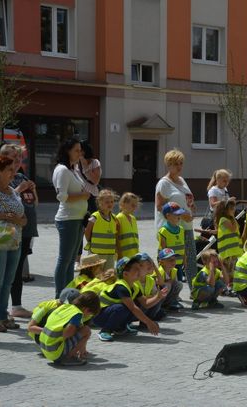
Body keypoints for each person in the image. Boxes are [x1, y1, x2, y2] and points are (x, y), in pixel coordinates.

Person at [0, 155, 27, 333]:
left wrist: (20, 220)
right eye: (9, 170)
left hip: (15, 241)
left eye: (13, 169)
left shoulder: (13, 191)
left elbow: (24, 218)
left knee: (8, 281)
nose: (13, 172)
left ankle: (3, 315)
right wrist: (3, 216)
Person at [0, 144, 38, 318]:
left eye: (19, 158)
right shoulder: (0, 177)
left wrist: (34, 191)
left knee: (18, 268)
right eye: (13, 158)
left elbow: (34, 203)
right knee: (7, 272)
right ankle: (2, 309)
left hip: (27, 229)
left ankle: (17, 305)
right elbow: (1, 200)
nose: (17, 162)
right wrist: (19, 189)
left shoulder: (21, 176)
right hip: (9, 231)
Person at [52, 138, 90, 298]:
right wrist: (83, 196)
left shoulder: (73, 169)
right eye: (76, 150)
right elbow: (61, 196)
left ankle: (67, 293)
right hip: (67, 219)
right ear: (67, 151)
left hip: (77, 218)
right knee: (64, 259)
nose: (80, 153)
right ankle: (60, 295)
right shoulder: (62, 170)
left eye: (80, 150)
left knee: (70, 261)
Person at [154, 149, 196, 289]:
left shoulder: (182, 181)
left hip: (185, 226)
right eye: (175, 164)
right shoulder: (164, 183)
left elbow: (187, 200)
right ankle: (166, 291)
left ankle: (194, 291)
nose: (179, 166)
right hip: (169, 229)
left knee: (189, 259)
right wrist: (182, 215)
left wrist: (192, 210)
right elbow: (160, 206)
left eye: (181, 163)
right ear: (168, 165)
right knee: (169, 262)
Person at [94, 255, 161, 342]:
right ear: (125, 274)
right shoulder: (121, 286)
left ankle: (120, 327)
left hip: (109, 313)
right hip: (99, 316)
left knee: (136, 305)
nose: (139, 271)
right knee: (124, 308)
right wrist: (149, 323)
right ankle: (105, 330)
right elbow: (133, 308)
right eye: (136, 269)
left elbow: (145, 303)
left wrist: (158, 296)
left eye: (139, 268)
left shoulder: (135, 286)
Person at [39, 291, 100, 366]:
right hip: (54, 352)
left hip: (44, 348)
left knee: (80, 329)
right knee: (86, 330)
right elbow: (68, 332)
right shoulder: (77, 314)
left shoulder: (65, 307)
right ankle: (69, 357)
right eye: (90, 314)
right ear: (86, 309)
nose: (88, 316)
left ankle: (68, 353)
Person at [84, 189, 120, 270]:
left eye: (112, 202)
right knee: (96, 276)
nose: (110, 204)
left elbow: (115, 235)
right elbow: (87, 233)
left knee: (108, 275)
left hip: (110, 253)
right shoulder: (95, 217)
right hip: (96, 253)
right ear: (100, 203)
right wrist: (91, 242)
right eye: (107, 202)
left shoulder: (114, 218)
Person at [214, 198, 244, 290]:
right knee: (228, 271)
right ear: (225, 210)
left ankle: (227, 287)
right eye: (231, 209)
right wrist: (233, 217)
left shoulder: (227, 220)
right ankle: (224, 287)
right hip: (228, 252)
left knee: (231, 271)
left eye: (234, 208)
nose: (233, 211)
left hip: (233, 251)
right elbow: (233, 229)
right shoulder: (224, 219)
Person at [134, 253, 168, 326]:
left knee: (161, 296)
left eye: (151, 264)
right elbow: (137, 300)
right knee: (158, 298)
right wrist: (153, 296)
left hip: (145, 306)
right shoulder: (132, 280)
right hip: (134, 309)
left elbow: (162, 286)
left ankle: (145, 322)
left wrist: (155, 267)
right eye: (148, 265)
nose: (150, 266)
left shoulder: (150, 280)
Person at [158, 202, 186, 282]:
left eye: (180, 214)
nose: (179, 217)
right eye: (176, 214)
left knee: (178, 283)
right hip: (168, 265)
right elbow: (163, 250)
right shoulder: (163, 231)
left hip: (179, 263)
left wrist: (185, 260)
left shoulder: (181, 229)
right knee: (168, 283)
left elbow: (183, 247)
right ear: (168, 215)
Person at [116, 192, 140, 259]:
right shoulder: (118, 218)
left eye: (136, 205)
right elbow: (116, 239)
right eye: (132, 205)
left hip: (134, 255)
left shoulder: (133, 219)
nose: (135, 208)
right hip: (123, 257)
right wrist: (120, 256)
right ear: (123, 204)